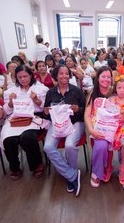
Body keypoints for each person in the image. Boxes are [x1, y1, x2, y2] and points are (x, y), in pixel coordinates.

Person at [43, 65, 86, 197]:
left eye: (66, 73)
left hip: (75, 122)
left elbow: (87, 111)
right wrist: (45, 112)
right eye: (61, 74)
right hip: (57, 124)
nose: (64, 76)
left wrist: (78, 109)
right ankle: (72, 175)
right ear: (56, 76)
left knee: (69, 145)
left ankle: (70, 175)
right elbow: (46, 114)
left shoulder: (77, 91)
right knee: (48, 147)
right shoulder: (50, 93)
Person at [1, 65, 49, 180]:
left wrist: (36, 100)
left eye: (25, 76)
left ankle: (36, 164)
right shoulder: (11, 92)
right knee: (8, 140)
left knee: (26, 137)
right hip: (16, 119)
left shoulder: (41, 89)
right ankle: (14, 167)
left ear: (31, 75)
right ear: (16, 78)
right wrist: (11, 103)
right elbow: (6, 111)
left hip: (34, 118)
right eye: (20, 77)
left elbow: (45, 109)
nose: (23, 79)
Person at [85, 66, 116, 188]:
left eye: (109, 77)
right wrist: (91, 130)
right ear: (97, 78)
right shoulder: (93, 93)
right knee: (102, 145)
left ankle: (120, 170)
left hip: (114, 127)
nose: (106, 79)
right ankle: (96, 172)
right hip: (98, 128)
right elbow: (87, 115)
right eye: (103, 76)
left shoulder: (115, 91)